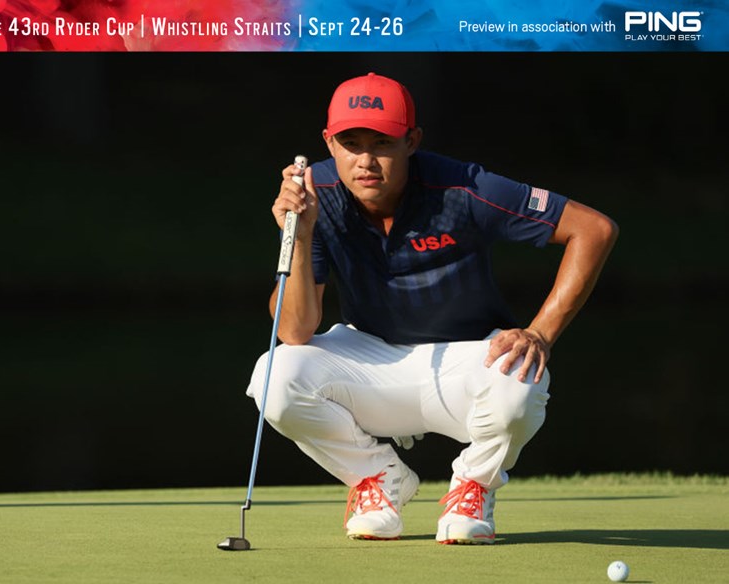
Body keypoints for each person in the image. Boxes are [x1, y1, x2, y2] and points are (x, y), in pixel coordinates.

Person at [246, 72, 618, 544]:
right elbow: (295, 330)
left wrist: (541, 332)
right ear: (329, 142)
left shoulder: (463, 186)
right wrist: (298, 234)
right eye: (350, 142)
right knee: (275, 374)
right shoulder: (314, 194)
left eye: (382, 143)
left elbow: (593, 229)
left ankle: (474, 486)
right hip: (370, 359)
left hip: (468, 360)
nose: (365, 160)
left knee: (522, 377)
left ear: (412, 141)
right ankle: (378, 479)